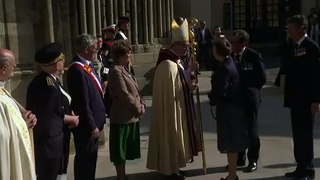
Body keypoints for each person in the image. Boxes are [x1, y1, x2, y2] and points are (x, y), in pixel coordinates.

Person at [147, 18, 200, 180]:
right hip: (171, 111)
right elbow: (173, 90)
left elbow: (181, 83)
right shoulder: (168, 65)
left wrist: (190, 75)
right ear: (174, 45)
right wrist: (188, 86)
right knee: (172, 135)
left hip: (180, 107)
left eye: (187, 46)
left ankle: (175, 166)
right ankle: (171, 170)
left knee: (178, 137)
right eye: (184, 46)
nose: (186, 49)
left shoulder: (176, 61)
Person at [26, 43, 79, 180]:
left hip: (53, 141)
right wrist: (71, 119)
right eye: (61, 60)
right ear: (56, 64)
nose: (63, 63)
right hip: (50, 143)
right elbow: (49, 116)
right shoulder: (47, 86)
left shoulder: (50, 81)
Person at [279, 14, 320, 180]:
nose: (287, 31)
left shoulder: (312, 47)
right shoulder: (293, 46)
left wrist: (316, 100)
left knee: (305, 135)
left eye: (290, 28)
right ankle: (300, 166)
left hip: (306, 99)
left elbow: (317, 76)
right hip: (295, 98)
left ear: (301, 28)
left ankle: (308, 169)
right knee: (297, 134)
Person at [67, 33, 106, 180]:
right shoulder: (77, 69)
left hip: (94, 123)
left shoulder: (87, 66)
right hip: (87, 126)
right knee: (85, 162)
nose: (96, 52)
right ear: (86, 49)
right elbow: (82, 102)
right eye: (93, 49)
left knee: (91, 162)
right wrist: (92, 125)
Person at [208, 37, 247, 180]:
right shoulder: (230, 62)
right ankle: (232, 173)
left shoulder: (225, 67)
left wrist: (212, 97)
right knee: (232, 143)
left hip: (229, 109)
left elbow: (221, 90)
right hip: (234, 107)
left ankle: (232, 175)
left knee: (231, 143)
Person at [229, 29, 266, 172]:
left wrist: (252, 90)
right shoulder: (230, 56)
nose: (232, 45)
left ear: (244, 43)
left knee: (252, 131)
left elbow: (261, 78)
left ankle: (253, 160)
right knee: (238, 130)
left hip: (249, 100)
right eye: (231, 42)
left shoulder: (254, 56)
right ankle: (239, 158)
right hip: (235, 100)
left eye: (235, 43)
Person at [108, 40, 145, 180]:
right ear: (121, 55)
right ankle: (121, 177)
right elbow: (124, 94)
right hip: (122, 115)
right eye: (128, 54)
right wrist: (138, 107)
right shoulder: (116, 71)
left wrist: (142, 103)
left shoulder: (124, 68)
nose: (130, 56)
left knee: (125, 148)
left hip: (130, 115)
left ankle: (123, 175)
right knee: (120, 150)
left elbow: (135, 89)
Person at [0, 48, 37, 180]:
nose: (15, 66)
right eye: (13, 64)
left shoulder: (3, 91)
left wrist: (23, 120)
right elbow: (2, 136)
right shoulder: (1, 102)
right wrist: (24, 125)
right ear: (4, 69)